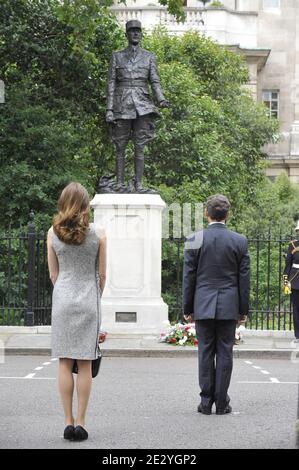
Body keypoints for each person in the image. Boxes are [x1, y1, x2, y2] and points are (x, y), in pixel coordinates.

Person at [47, 182, 107, 441]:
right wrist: (94, 296)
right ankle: (81, 422)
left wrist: (63, 293)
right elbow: (102, 275)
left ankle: (67, 421)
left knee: (64, 362)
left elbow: (53, 273)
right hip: (88, 300)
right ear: (85, 205)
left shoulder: (52, 232)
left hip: (62, 299)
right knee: (84, 363)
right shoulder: (99, 233)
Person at [183, 195, 250, 415]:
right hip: (229, 305)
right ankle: (222, 403)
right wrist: (243, 310)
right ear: (227, 215)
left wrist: (187, 308)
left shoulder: (195, 239)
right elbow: (244, 280)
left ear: (206, 213)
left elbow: (189, 277)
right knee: (225, 354)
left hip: (202, 304)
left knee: (204, 354)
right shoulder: (239, 241)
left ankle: (205, 403)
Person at [105, 19, 169, 193]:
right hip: (121, 103)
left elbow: (155, 80)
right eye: (132, 31)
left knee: (140, 145)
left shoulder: (149, 56)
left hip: (143, 104)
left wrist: (161, 99)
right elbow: (111, 83)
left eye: (138, 31)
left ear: (141, 35)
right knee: (120, 145)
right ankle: (119, 183)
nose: (135, 34)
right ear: (126, 34)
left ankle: (138, 184)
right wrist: (109, 109)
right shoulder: (116, 56)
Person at [283, 220, 299, 343]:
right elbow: (287, 265)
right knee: (296, 309)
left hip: (295, 281)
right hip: (295, 281)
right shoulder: (292, 245)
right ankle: (298, 335)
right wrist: (285, 282)